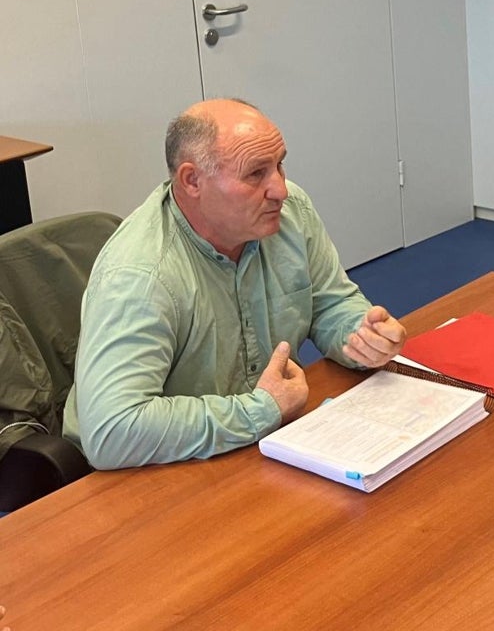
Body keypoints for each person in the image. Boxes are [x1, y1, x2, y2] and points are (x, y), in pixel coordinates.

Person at [64, 99, 406, 470]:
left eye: (279, 165)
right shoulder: (141, 276)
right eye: (255, 174)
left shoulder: (290, 214)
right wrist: (261, 410)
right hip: (157, 468)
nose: (281, 190)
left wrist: (359, 336)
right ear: (192, 180)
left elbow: (328, 303)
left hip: (259, 442)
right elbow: (113, 431)